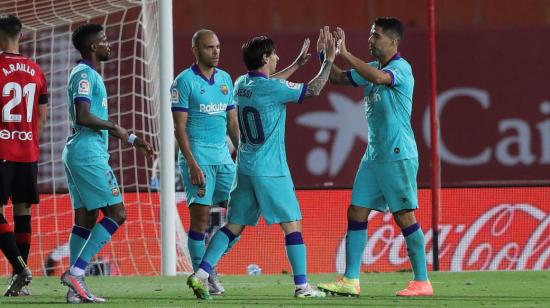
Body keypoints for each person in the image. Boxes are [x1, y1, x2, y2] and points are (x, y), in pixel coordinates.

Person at [187, 30, 336, 300]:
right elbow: (313, 89)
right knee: (293, 225)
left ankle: (201, 273)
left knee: (233, 225)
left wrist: (295, 65)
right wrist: (328, 61)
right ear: (266, 57)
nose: (278, 58)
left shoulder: (240, 83)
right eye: (275, 54)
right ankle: (302, 286)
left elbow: (268, 83)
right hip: (271, 169)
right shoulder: (272, 88)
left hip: (244, 168)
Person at [316, 18, 433, 297]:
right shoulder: (372, 69)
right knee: (356, 211)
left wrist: (345, 54)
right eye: (370, 35)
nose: (371, 40)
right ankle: (350, 280)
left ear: (393, 41)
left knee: (404, 216)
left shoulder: (400, 69)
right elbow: (336, 78)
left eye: (376, 36)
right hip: (374, 155)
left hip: (397, 154)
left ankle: (422, 281)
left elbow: (380, 79)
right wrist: (326, 56)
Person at [60, 23, 153, 304]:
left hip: (80, 150)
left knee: (86, 218)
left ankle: (74, 287)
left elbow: (92, 117)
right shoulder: (84, 75)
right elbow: (84, 115)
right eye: (103, 40)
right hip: (88, 153)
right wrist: (117, 128)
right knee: (117, 213)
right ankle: (76, 272)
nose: (107, 44)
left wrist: (132, 137)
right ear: (92, 47)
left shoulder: (87, 74)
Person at [170, 29, 240, 295]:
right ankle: (203, 278)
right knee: (199, 223)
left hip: (224, 160)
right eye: (210, 47)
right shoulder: (183, 82)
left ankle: (208, 267)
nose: (216, 52)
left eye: (218, 47)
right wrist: (191, 163)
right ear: (196, 50)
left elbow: (232, 122)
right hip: (198, 160)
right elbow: (179, 127)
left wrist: (243, 154)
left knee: (240, 215)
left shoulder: (225, 80)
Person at [0, 14, 48, 297]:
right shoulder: (35, 70)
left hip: (2, 149)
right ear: (19, 36)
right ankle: (21, 282)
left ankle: (19, 269)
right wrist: (27, 140)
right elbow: (41, 117)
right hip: (28, 150)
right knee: (23, 211)